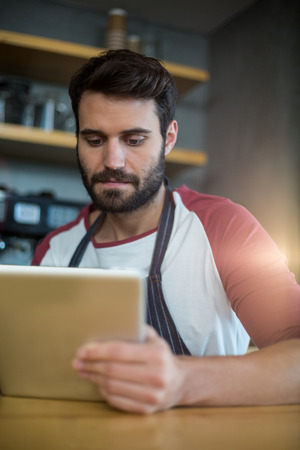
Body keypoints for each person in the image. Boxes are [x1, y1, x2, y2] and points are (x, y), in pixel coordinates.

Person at [32, 49, 300, 414]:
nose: (112, 161)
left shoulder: (224, 227)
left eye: (134, 140)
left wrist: (182, 381)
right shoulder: (55, 250)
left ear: (169, 138)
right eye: (94, 140)